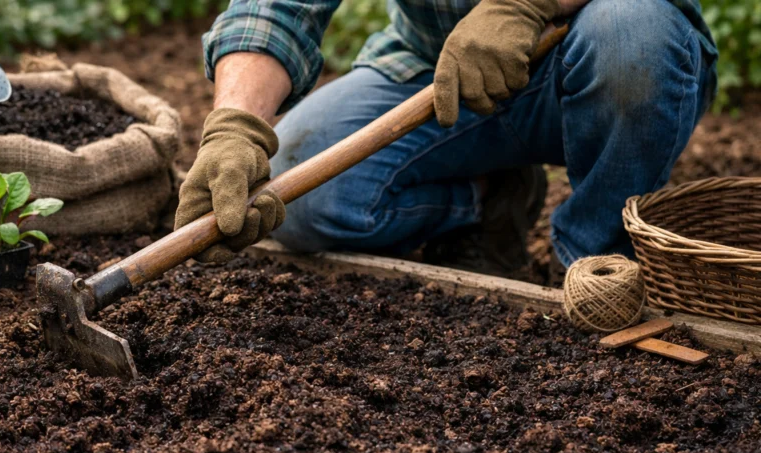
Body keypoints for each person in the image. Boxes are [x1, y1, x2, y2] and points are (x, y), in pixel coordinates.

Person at [174, 0, 717, 279]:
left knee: (634, 41)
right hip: (441, 71)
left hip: (596, 45)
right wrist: (235, 125)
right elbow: (276, 9)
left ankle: (599, 267)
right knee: (301, 185)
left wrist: (519, 5)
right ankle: (490, 199)